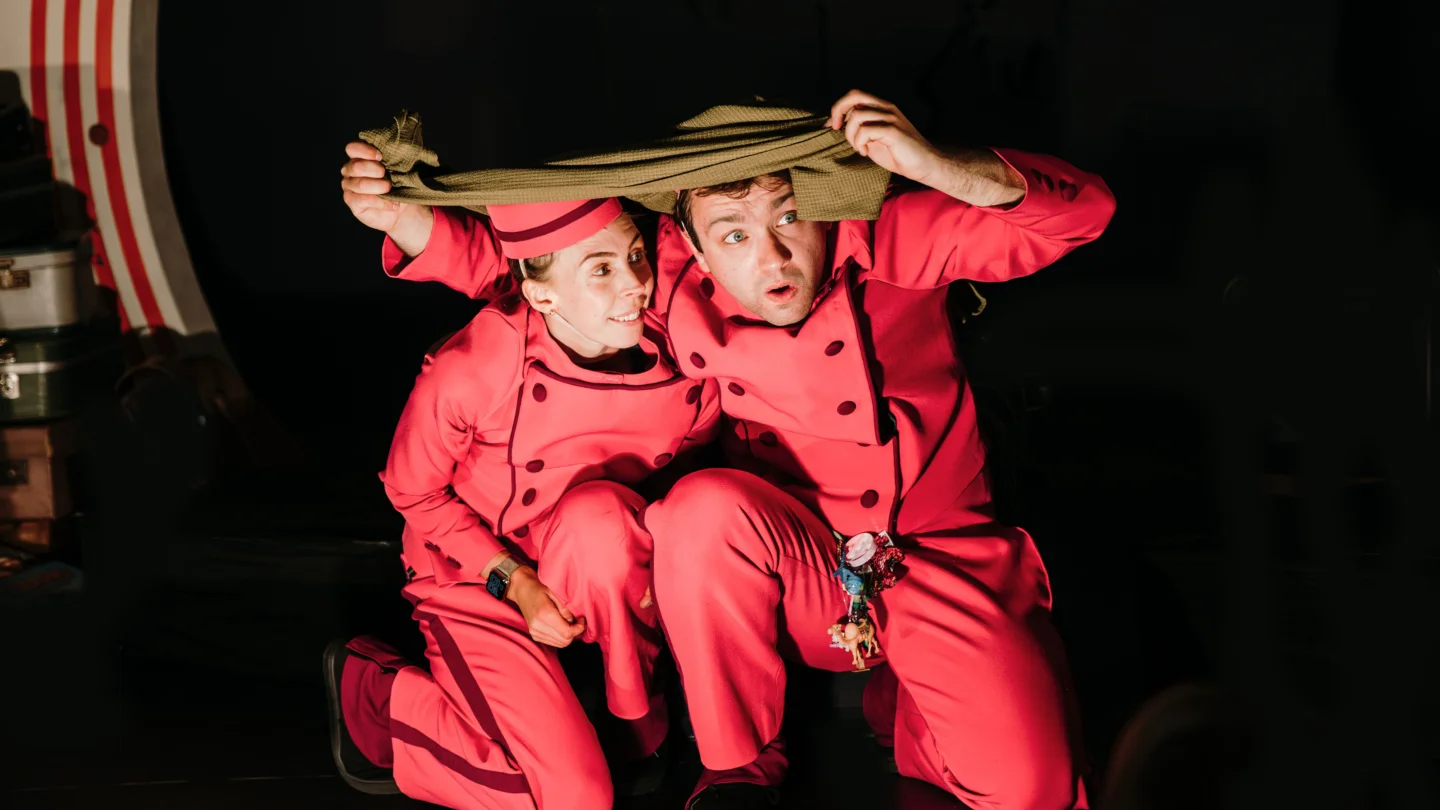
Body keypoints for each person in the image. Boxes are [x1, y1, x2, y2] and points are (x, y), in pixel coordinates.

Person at [346, 89, 1116, 810]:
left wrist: (935, 166)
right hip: (806, 576)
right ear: (695, 246)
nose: (771, 258)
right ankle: (737, 765)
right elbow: (534, 272)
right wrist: (401, 220)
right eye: (735, 235)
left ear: (824, 209)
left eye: (788, 219)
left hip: (937, 565)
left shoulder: (890, 243)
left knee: (1029, 792)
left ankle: (910, 696)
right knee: (700, 511)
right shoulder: (670, 290)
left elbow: (1080, 214)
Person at [323, 181, 720, 809]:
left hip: (585, 555)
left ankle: (637, 722)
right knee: (574, 801)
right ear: (539, 293)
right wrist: (514, 581)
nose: (634, 284)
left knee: (603, 519)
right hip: (477, 575)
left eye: (634, 256)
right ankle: (377, 697)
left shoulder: (678, 339)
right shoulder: (480, 363)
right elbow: (413, 492)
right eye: (601, 269)